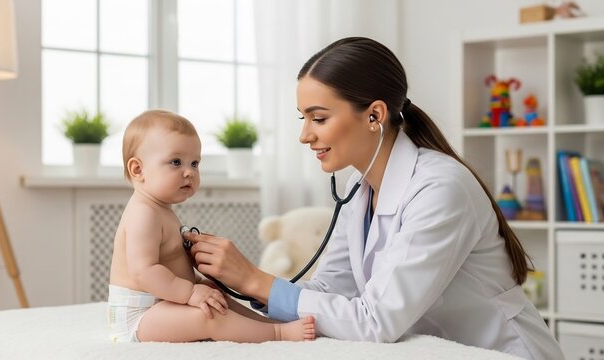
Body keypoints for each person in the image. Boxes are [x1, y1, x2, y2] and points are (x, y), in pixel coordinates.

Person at [184, 38, 564, 359]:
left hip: (500, 351)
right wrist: (232, 293)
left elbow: (375, 320)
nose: (304, 135)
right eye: (302, 118)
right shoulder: (360, 185)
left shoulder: (440, 188)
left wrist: (255, 280)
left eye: (318, 119)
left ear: (374, 116)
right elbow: (329, 293)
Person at [107, 110, 316, 343]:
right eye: (176, 162)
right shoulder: (143, 214)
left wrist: (196, 280)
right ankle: (277, 334)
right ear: (138, 169)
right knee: (209, 315)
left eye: (195, 163)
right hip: (139, 316)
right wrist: (189, 292)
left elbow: (170, 262)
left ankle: (266, 324)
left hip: (163, 302)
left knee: (217, 298)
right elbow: (144, 271)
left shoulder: (162, 209)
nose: (189, 172)